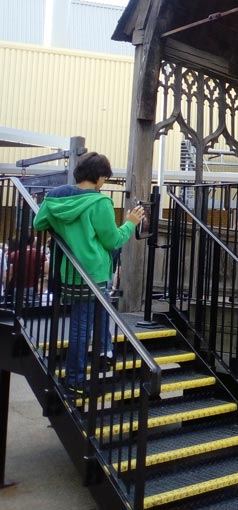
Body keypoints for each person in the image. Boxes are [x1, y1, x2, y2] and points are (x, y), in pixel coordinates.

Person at [33, 153, 145, 396]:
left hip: (71, 271)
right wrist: (130, 223)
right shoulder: (99, 203)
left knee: (89, 317)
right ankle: (75, 379)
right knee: (84, 325)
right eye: (105, 177)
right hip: (94, 272)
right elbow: (113, 239)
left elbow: (38, 223)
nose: (104, 181)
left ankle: (103, 353)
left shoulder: (56, 199)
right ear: (99, 176)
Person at [4, 233, 48, 305]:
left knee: (18, 309)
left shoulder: (13, 255)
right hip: (33, 286)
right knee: (33, 311)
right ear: (33, 241)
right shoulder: (40, 254)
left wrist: (6, 286)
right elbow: (46, 270)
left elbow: (10, 273)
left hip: (17, 286)